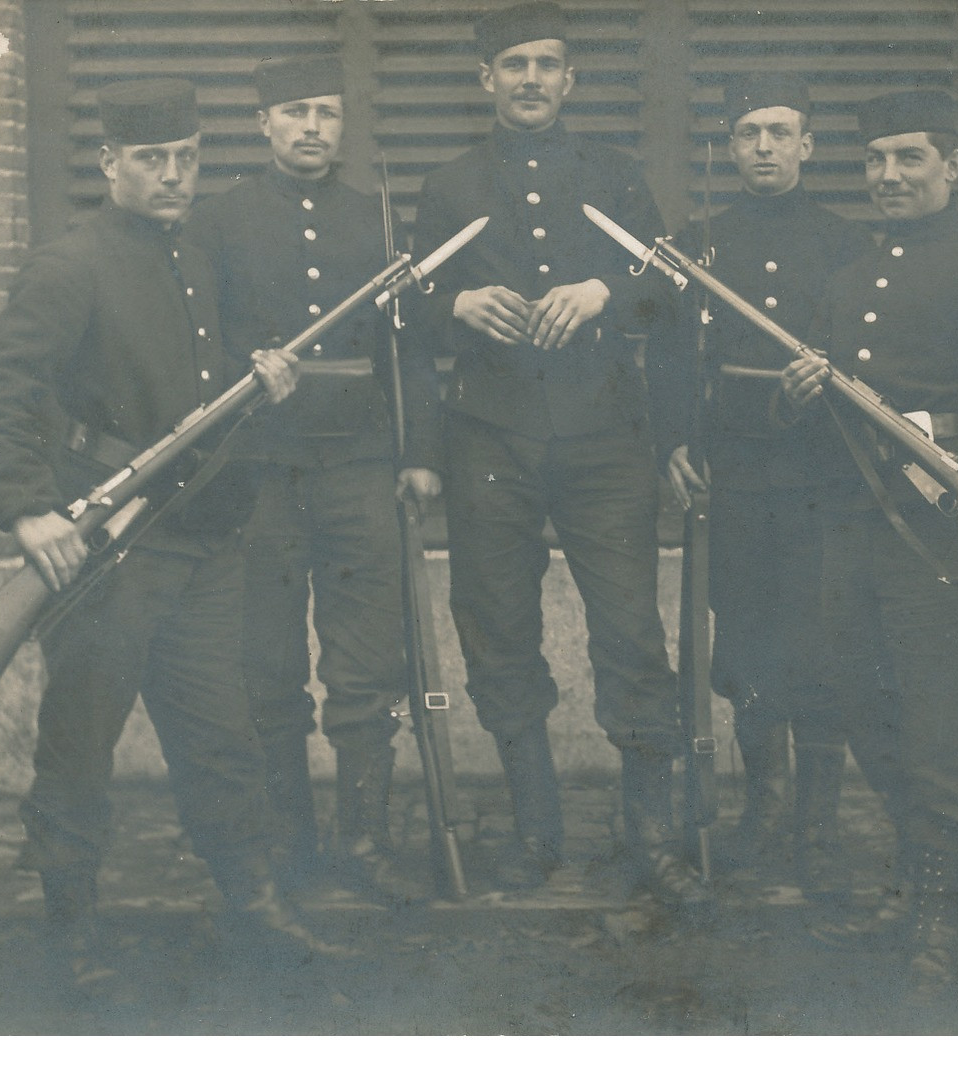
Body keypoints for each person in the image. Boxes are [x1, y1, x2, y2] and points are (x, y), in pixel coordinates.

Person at [0, 78, 335, 992]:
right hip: (106, 553)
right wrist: (28, 509)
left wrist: (266, 377)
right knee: (80, 741)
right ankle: (70, 934)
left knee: (220, 739)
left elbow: (199, 392)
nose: (174, 177)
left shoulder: (195, 252)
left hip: (196, 541)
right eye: (153, 160)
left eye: (189, 159)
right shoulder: (69, 264)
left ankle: (256, 911)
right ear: (109, 163)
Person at [410, 1, 705, 910]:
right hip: (487, 435)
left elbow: (669, 290)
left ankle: (646, 828)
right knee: (496, 624)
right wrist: (452, 307)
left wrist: (604, 291)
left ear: (569, 80)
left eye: (547, 64)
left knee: (628, 629)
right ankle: (533, 825)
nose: (531, 79)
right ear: (485, 80)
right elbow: (405, 313)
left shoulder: (614, 176)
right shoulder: (448, 184)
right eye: (514, 65)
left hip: (602, 435)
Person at [779, 89, 958, 994]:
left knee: (939, 724)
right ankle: (918, 877)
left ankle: (938, 901)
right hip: (852, 527)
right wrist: (800, 393)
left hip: (939, 533)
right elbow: (826, 420)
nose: (889, 175)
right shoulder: (846, 276)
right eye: (874, 160)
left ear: (951, 167)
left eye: (908, 158)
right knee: (862, 709)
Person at [185, 57, 443, 905]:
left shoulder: (374, 217)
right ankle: (287, 845)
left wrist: (417, 452)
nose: (312, 129)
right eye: (295, 112)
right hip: (260, 471)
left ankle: (361, 841)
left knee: (365, 659)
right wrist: (240, 366)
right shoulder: (220, 220)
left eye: (328, 114)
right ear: (262, 122)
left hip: (359, 468)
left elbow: (407, 348)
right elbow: (196, 339)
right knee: (266, 661)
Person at [646, 74, 868, 891]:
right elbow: (668, 355)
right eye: (747, 133)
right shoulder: (698, 240)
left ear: (807, 145)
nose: (764, 148)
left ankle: (814, 824)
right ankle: (764, 809)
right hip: (732, 468)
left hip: (818, 467)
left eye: (780, 131)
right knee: (742, 633)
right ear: (728, 147)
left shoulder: (848, 243)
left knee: (816, 634)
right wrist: (672, 439)